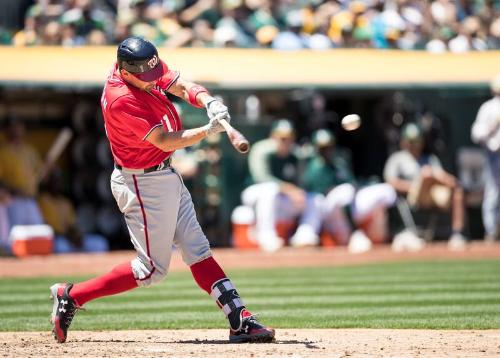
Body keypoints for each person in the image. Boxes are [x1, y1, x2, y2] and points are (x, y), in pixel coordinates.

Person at [49, 37, 274, 344]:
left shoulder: (144, 68)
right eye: (144, 77)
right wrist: (208, 131)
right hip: (142, 184)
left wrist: (207, 100)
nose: (152, 81)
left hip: (164, 174)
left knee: (197, 249)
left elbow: (179, 85)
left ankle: (240, 320)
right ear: (125, 71)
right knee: (150, 269)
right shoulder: (120, 98)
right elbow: (165, 140)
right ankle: (72, 295)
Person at [303, 129, 396, 248]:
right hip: (328, 212)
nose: (326, 150)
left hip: (349, 205)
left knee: (386, 191)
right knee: (343, 192)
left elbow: (352, 184)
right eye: (322, 148)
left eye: (328, 147)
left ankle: (397, 232)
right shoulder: (313, 167)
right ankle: (355, 234)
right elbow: (316, 193)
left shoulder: (338, 164)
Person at [241, 119, 322, 251]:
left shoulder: (296, 154)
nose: (285, 141)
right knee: (270, 189)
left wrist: (298, 192)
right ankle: (266, 236)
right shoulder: (262, 149)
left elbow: (301, 182)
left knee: (315, 199)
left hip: (281, 200)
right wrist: (289, 189)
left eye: (288, 137)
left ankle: (305, 236)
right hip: (255, 195)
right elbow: (261, 178)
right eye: (281, 137)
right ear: (273, 136)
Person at [384, 123, 467, 249]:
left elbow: (438, 175)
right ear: (403, 142)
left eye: (417, 141)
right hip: (413, 195)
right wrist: (415, 185)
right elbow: (391, 182)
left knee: (457, 190)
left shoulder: (429, 158)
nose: (414, 144)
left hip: (432, 195)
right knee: (426, 174)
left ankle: (457, 234)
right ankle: (447, 180)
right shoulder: (397, 158)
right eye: (411, 141)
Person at [0, 119, 45, 232]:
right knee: (16, 239)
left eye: (18, 126)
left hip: (31, 200)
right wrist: (14, 190)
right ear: (5, 130)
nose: (16, 130)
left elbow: (41, 175)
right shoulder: (2, 152)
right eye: (12, 127)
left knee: (39, 236)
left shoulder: (29, 151)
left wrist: (47, 166)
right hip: (13, 201)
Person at [471, 75, 500, 243]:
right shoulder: (488, 108)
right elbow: (476, 134)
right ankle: (491, 231)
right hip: (494, 153)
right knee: (493, 192)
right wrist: (491, 129)